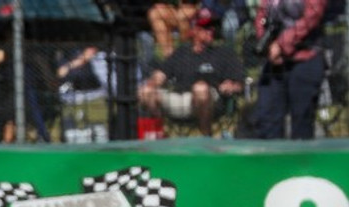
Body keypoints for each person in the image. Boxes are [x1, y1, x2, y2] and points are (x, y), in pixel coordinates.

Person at [139, 7, 245, 136]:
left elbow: (240, 85)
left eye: (212, 27)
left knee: (200, 88)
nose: (210, 31)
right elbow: (160, 75)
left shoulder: (223, 53)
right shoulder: (181, 53)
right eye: (205, 28)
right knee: (146, 91)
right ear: (194, 30)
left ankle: (206, 138)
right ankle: (161, 136)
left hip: (210, 100)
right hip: (181, 100)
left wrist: (231, 86)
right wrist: (153, 83)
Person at [254, 0, 327, 138]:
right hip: (274, 62)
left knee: (301, 122)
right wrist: (267, 44)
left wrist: (281, 45)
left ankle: (301, 159)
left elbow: (312, 17)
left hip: (304, 58)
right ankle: (271, 158)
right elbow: (261, 14)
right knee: (267, 119)